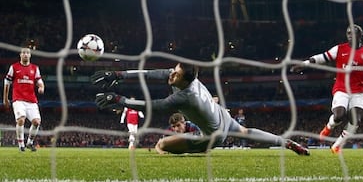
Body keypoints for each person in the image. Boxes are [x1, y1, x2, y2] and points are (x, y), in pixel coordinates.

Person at [91, 63, 310, 155]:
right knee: (246, 131)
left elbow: (153, 106)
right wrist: (119, 75)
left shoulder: (186, 98)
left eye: (175, 74)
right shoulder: (185, 79)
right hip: (223, 116)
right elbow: (149, 73)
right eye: (173, 71)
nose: (170, 75)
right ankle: (286, 142)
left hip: (214, 137)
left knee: (163, 145)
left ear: (184, 80)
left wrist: (119, 100)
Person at [291, 24, 363, 154]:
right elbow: (322, 57)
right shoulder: (339, 49)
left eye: (353, 33)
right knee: (339, 115)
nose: (350, 36)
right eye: (348, 33)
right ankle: (328, 127)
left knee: (356, 119)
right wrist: (304, 64)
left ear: (360, 36)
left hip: (359, 92)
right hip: (342, 89)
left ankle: (337, 146)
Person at [3, 47, 45, 152]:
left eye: (27, 53)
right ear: (20, 55)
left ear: (30, 55)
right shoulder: (14, 67)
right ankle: (21, 145)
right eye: (23, 53)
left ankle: (29, 143)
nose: (25, 54)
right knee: (21, 119)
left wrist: (41, 87)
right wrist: (5, 98)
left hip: (31, 100)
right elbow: (7, 83)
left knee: (36, 122)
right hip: (18, 99)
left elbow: (39, 80)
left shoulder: (35, 68)